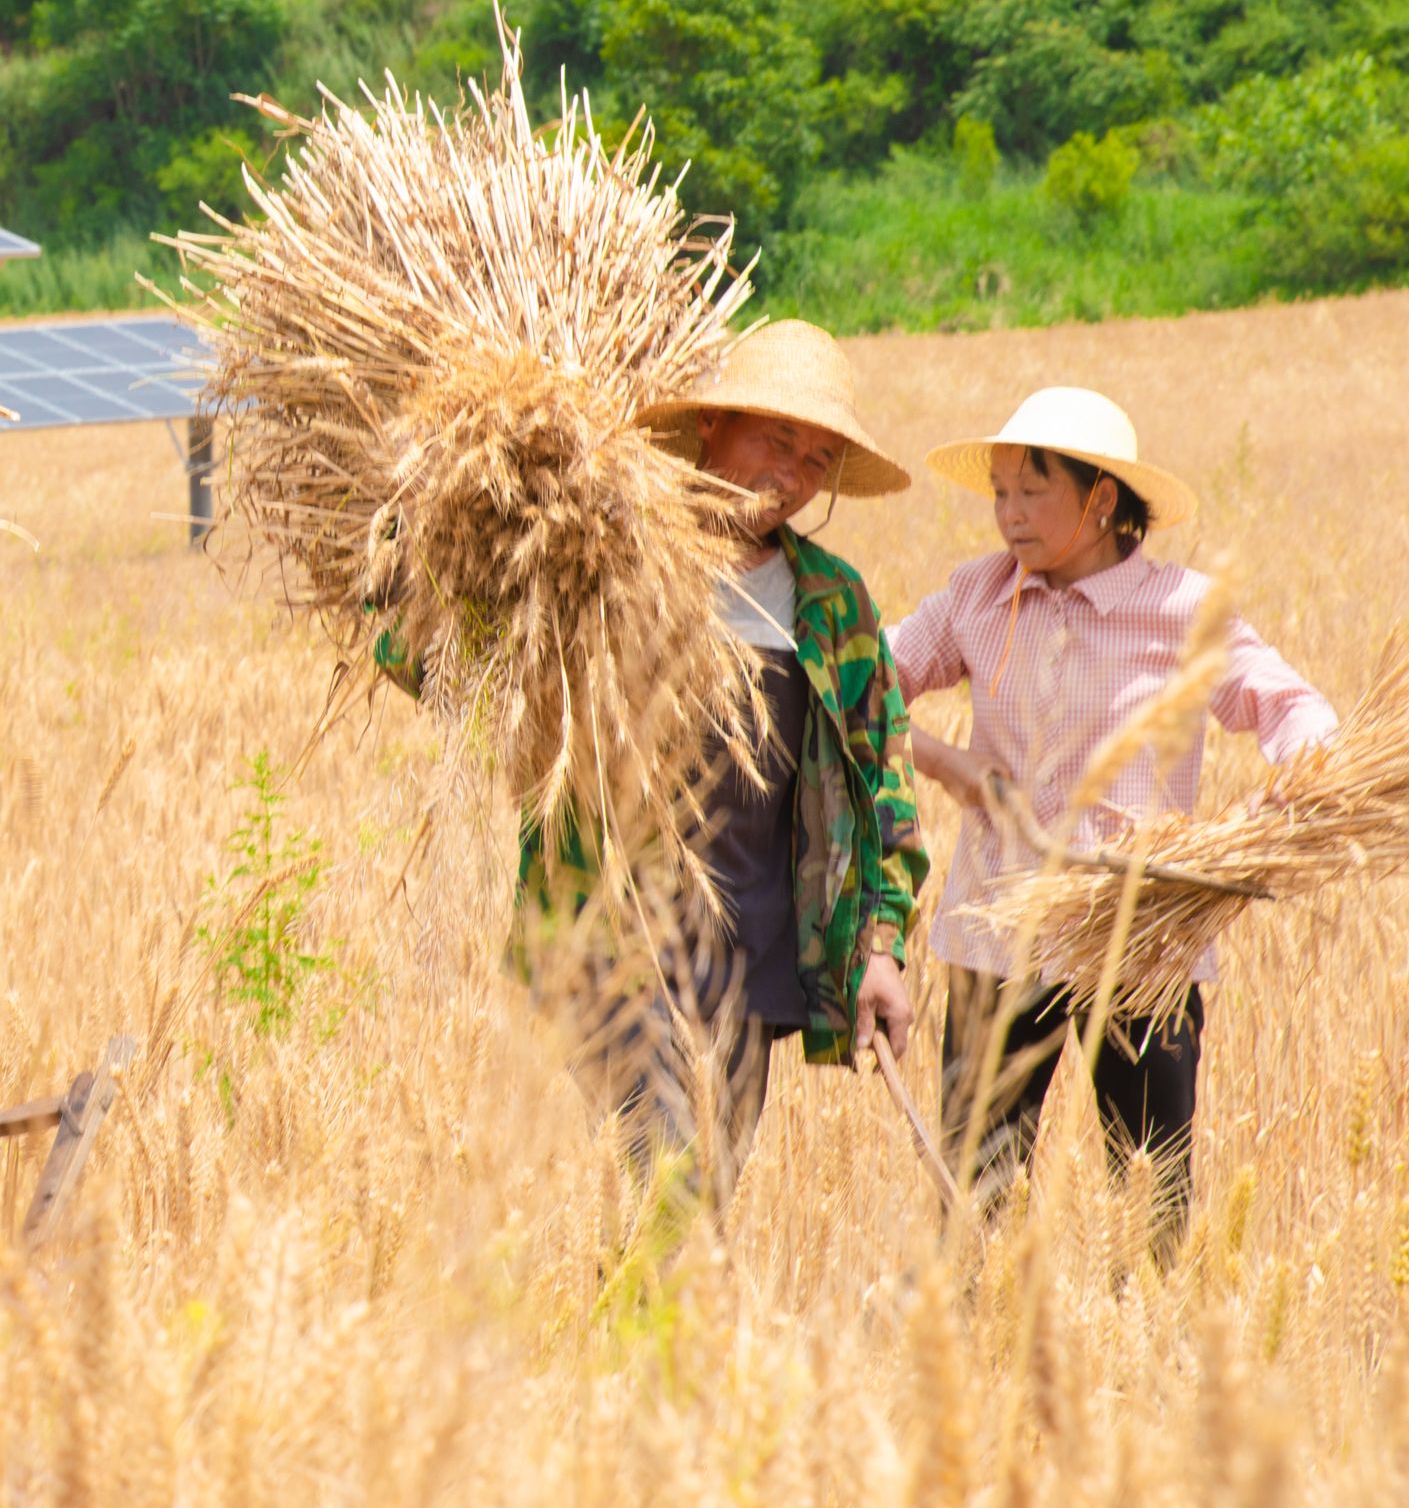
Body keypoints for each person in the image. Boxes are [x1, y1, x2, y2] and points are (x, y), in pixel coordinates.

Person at [409, 320, 927, 1208]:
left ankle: (625, 1307)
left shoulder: (831, 601)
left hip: (756, 958)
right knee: (673, 1198)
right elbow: (442, 662)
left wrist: (881, 949)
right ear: (712, 426)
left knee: (695, 1213)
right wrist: (427, 541)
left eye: (816, 459)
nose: (792, 474)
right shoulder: (608, 548)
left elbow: (884, 781)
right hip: (614, 942)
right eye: (777, 439)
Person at [890, 386, 1338, 1253]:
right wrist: (948, 763)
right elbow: (859, 681)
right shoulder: (978, 596)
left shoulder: (1182, 609)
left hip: (1143, 941)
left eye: (1032, 491)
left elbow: (1293, 709)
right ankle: (978, 1336)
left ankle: (1151, 1340)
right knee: (972, 1202)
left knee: (1151, 1200)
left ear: (1101, 499)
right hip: (999, 933)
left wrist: (1279, 801)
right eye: (1000, 491)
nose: (1008, 514)